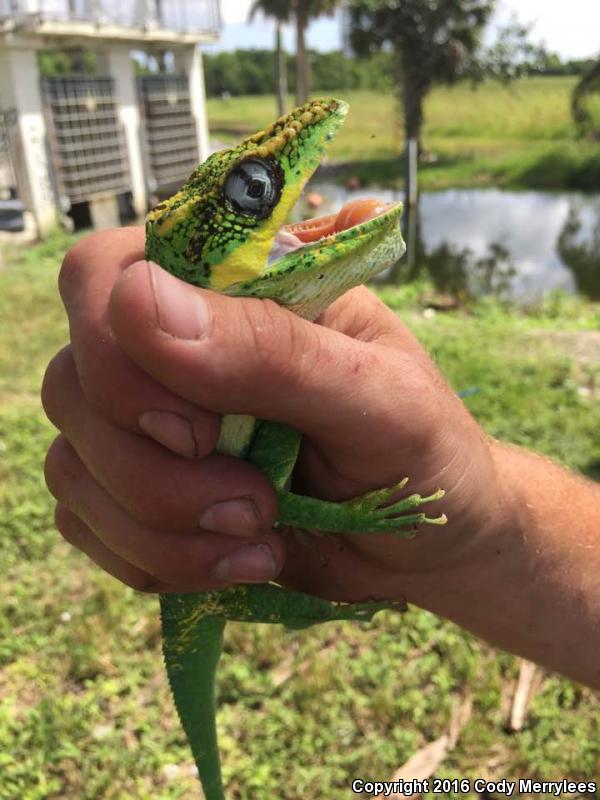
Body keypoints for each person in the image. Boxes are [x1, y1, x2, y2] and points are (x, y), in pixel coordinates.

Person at [42, 228, 600, 689]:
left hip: (254, 524)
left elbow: (278, 506)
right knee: (234, 560)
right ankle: (338, 609)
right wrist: (356, 528)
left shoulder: (284, 404)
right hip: (216, 583)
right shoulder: (269, 415)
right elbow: (278, 506)